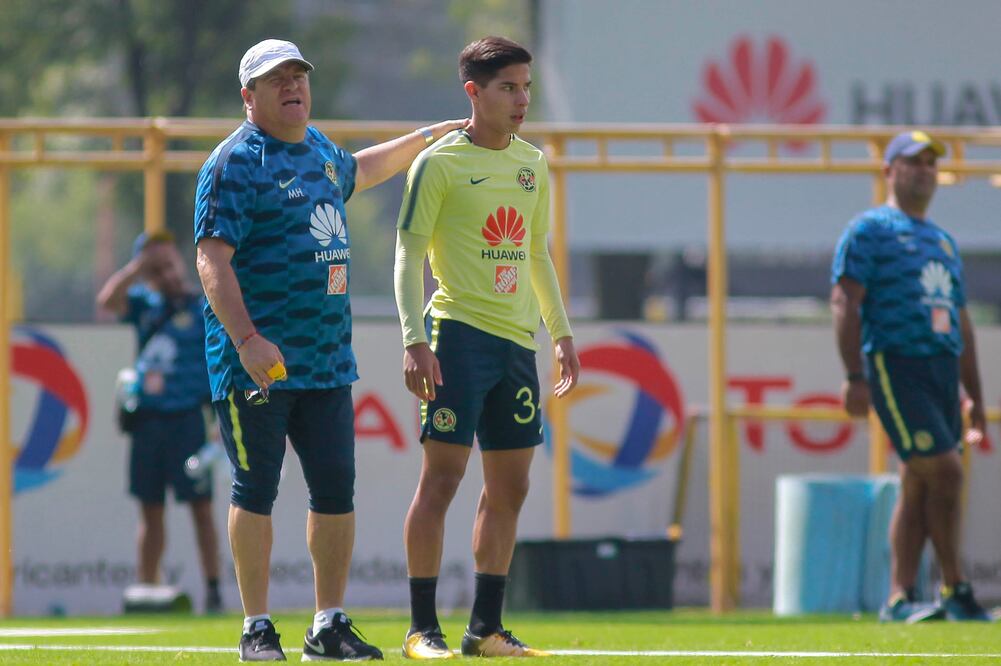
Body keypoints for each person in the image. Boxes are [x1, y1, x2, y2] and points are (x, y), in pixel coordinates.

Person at [194, 38, 468, 662]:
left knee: (335, 492)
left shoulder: (319, 150)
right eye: (276, 79)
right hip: (256, 362)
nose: (293, 86)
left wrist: (424, 139)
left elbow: (362, 170)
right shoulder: (234, 163)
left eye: (298, 75)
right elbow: (212, 259)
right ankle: (257, 628)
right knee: (254, 489)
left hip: (324, 361)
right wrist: (246, 340)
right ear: (249, 97)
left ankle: (328, 624)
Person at [393, 36, 580, 659]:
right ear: (473, 92)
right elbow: (407, 256)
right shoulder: (438, 163)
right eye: (508, 87)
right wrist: (414, 339)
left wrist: (561, 333)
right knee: (441, 480)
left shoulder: (533, 162)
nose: (522, 99)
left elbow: (534, 254)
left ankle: (485, 629)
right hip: (456, 338)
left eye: (526, 86)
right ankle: (422, 629)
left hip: (513, 345)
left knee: (511, 489)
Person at [831, 130, 989, 623]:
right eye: (912, 161)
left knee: (919, 483)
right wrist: (855, 375)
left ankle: (900, 600)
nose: (923, 169)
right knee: (946, 472)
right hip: (896, 365)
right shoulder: (869, 229)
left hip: (941, 372)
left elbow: (961, 322)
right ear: (888, 171)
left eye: (929, 162)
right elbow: (845, 301)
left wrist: (976, 398)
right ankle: (956, 588)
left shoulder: (942, 240)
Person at [96, 230, 223, 614]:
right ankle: (146, 591)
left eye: (170, 263)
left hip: (188, 419)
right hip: (148, 422)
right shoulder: (144, 305)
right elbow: (107, 301)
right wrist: (138, 269)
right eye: (158, 266)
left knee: (200, 507)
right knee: (151, 510)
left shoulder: (201, 305)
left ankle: (214, 590)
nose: (166, 273)